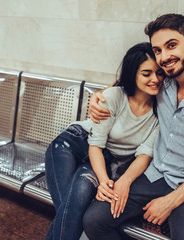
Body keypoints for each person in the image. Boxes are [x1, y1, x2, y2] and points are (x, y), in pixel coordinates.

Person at [83, 13, 184, 240]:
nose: (164, 57)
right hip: (153, 174)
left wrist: (169, 201)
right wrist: (100, 96)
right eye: (158, 50)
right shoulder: (163, 81)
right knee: (94, 221)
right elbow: (130, 82)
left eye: (171, 46)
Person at [44, 42, 165, 240]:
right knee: (71, 210)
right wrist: (103, 182)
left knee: (71, 211)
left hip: (104, 158)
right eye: (146, 73)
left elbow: (145, 154)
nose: (155, 79)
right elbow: (95, 145)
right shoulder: (114, 97)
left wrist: (123, 182)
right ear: (133, 74)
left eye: (159, 73)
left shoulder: (161, 111)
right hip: (71, 144)